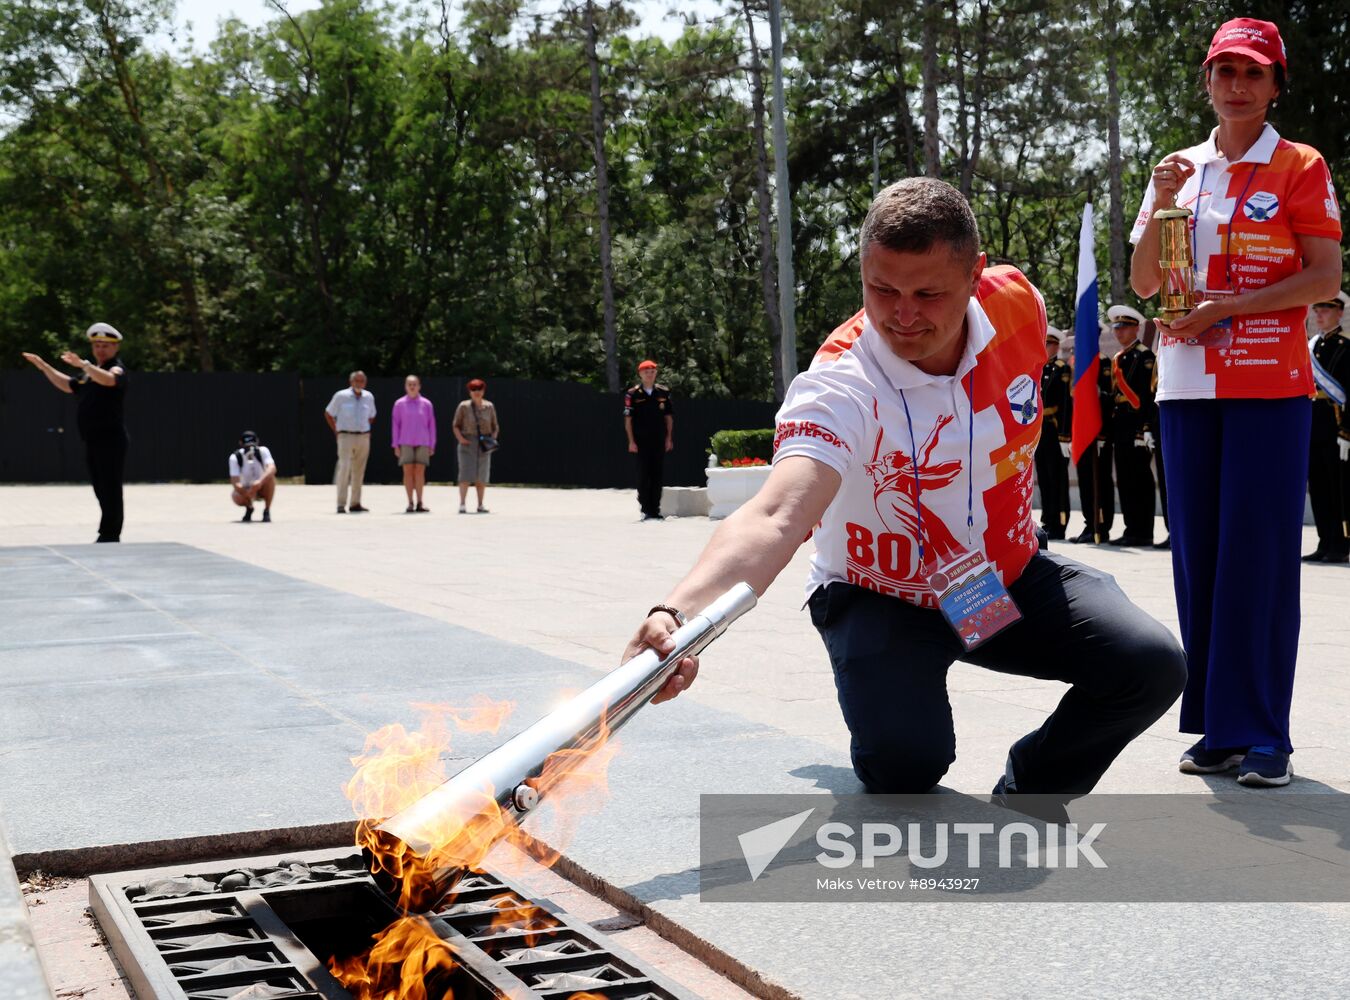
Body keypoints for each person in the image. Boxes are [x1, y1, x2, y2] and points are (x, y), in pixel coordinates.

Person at [624, 178, 1186, 798]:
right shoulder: (842, 380)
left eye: (928, 292)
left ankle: (1034, 785)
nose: (902, 315)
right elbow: (776, 513)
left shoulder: (1019, 304)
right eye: (881, 290)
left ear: (976, 274)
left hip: (993, 579)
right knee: (906, 767)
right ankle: (894, 690)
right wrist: (676, 615)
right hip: (881, 595)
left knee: (1149, 665)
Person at [1129, 18, 1343, 786]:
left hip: (1266, 384)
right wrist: (1157, 203)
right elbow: (1147, 284)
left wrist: (1227, 311)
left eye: (1253, 73)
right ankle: (1219, 729)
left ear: (1276, 83)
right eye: (1224, 71)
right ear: (1207, 81)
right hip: (1185, 387)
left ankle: (1266, 737)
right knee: (1199, 559)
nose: (1237, 85)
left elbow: (1323, 279)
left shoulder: (1299, 164)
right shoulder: (1178, 168)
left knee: (1257, 559)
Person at [21, 323, 129, 542]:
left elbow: (110, 380)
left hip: (111, 439)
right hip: (92, 439)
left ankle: (110, 534)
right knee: (100, 487)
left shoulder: (115, 367)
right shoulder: (88, 375)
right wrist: (43, 366)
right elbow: (68, 385)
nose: (101, 349)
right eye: (97, 345)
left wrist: (85, 365)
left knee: (110, 487)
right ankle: (107, 531)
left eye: (106, 345)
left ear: (116, 347)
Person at [1105, 305, 1159, 546]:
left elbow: (1147, 397)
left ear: (1136, 328)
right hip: (1121, 426)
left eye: (1124, 327)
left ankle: (1144, 531)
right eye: (1117, 328)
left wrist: (1145, 427)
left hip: (1137, 425)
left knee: (1140, 479)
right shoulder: (1119, 358)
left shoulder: (1144, 356)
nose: (1119, 332)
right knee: (1125, 479)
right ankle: (1130, 528)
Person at [1304, 291, 1350, 563]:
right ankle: (1323, 541)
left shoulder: (1346, 348)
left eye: (1325, 310)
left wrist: (1347, 429)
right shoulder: (1311, 345)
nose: (1318, 315)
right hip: (1314, 424)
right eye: (1317, 309)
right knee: (1318, 486)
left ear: (1339, 313)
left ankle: (1340, 545)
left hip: (1336, 426)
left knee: (1337, 487)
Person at [1070, 343, 1115, 544]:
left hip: (1098, 434)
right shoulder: (1078, 364)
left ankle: (1102, 526)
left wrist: (1103, 434)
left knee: (1101, 480)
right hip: (1082, 431)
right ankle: (1090, 523)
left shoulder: (1103, 362)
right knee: (1086, 479)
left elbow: (1108, 400)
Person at [623, 360, 675, 520]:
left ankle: (655, 509)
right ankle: (646, 508)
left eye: (652, 371)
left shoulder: (663, 393)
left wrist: (669, 438)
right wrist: (631, 441)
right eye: (646, 372)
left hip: (659, 439)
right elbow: (628, 420)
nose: (649, 374)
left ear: (656, 374)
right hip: (641, 441)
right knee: (643, 475)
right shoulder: (632, 394)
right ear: (640, 374)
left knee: (657, 474)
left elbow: (669, 418)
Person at [1035, 327, 1072, 539]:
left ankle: (1059, 523)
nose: (1044, 348)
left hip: (1056, 430)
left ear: (1056, 346)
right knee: (1044, 478)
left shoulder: (1061, 369)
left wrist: (1065, 436)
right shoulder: (1040, 369)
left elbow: (1067, 404)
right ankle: (1047, 519)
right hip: (1042, 430)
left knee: (1057, 478)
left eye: (1047, 344)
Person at [325, 371, 376, 514]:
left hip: (363, 437)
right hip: (346, 436)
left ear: (365, 383)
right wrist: (337, 431)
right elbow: (329, 413)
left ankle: (355, 502)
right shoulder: (341, 396)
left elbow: (372, 415)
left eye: (361, 381)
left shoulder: (368, 397)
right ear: (351, 382)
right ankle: (341, 504)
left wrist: (365, 429)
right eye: (356, 381)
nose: (359, 384)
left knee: (359, 470)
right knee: (344, 469)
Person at [452, 379, 498, 514]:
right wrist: (461, 439)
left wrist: (492, 439)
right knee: (465, 474)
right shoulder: (464, 406)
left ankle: (480, 504)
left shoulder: (489, 406)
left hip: (484, 442)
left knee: (482, 476)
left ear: (483, 391)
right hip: (468, 442)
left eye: (479, 389)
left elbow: (495, 426)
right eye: (473, 389)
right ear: (469, 392)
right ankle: (462, 503)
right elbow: (455, 425)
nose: (476, 392)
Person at [392, 375, 436, 513]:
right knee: (407, 471)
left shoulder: (427, 404)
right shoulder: (399, 404)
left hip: (423, 441)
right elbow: (395, 425)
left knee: (420, 471)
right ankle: (410, 502)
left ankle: (420, 502)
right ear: (405, 386)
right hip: (405, 441)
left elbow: (431, 425)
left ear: (419, 386)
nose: (412, 386)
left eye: (415, 384)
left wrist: (432, 444)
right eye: (409, 384)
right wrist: (395, 444)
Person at [229, 431, 277, 522]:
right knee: (236, 496)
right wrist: (247, 492)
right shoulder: (235, 457)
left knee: (271, 479)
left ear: (257, 442)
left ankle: (267, 510)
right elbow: (235, 482)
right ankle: (249, 507)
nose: (250, 448)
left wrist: (259, 482)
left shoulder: (263, 451)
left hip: (262, 486)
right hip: (246, 489)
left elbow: (272, 468)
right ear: (240, 443)